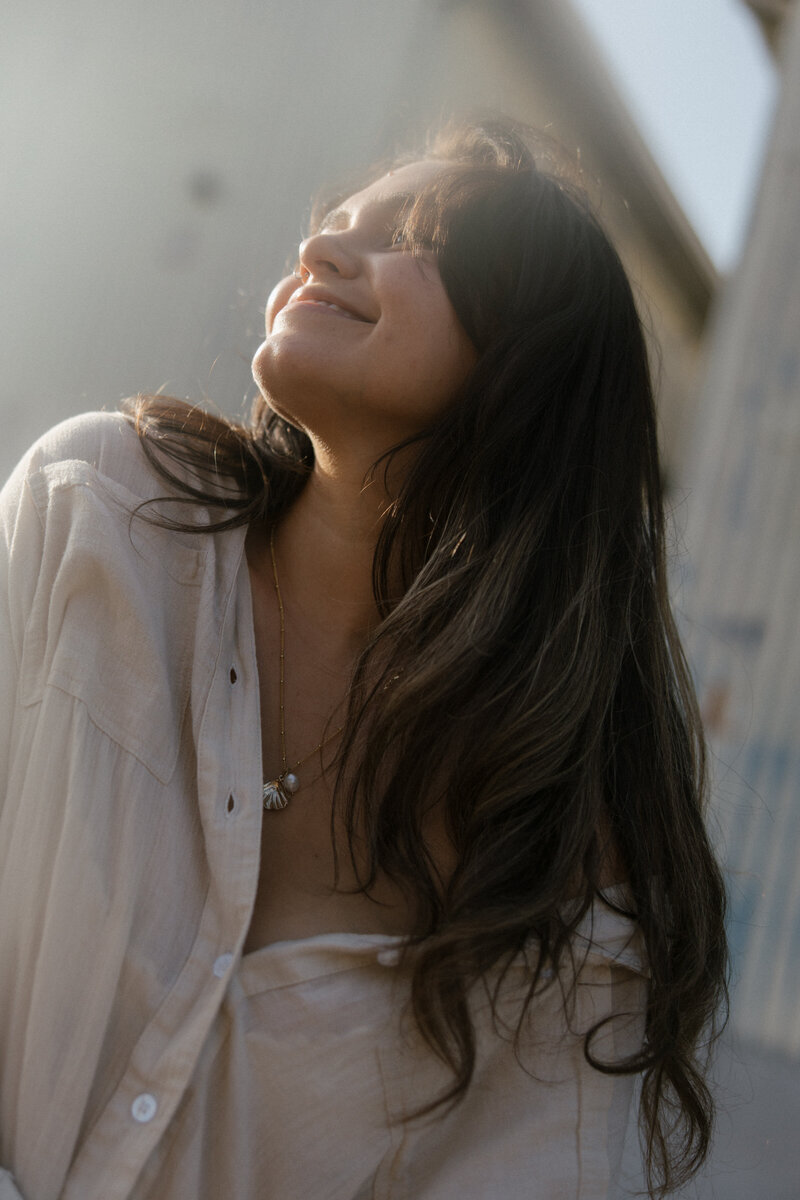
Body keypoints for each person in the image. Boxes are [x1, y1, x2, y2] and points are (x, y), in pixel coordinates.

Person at [0, 118, 727, 1199]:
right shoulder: (103, 507)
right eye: (333, 226)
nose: (323, 253)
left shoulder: (563, 840)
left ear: (530, 360)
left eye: (417, 241)